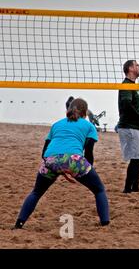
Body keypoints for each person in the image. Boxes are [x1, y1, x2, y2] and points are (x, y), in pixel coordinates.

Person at [14, 98, 110, 229]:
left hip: (50, 160)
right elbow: (89, 153)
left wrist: (61, 168)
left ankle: (19, 224)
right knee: (99, 190)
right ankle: (105, 223)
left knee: (36, 192)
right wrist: (85, 170)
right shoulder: (89, 126)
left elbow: (44, 153)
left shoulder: (56, 124)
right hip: (74, 160)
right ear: (85, 112)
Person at [117, 60, 139, 194]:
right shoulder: (126, 85)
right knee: (136, 158)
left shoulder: (133, 86)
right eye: (137, 65)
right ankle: (128, 189)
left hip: (137, 127)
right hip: (129, 126)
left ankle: (135, 187)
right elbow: (126, 105)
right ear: (130, 68)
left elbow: (136, 103)